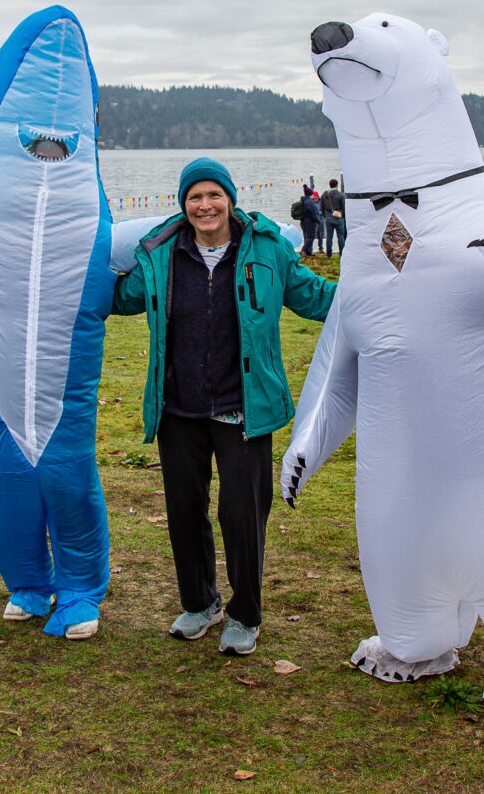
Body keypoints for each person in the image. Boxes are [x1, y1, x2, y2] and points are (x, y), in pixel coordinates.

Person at [113, 158, 336, 656]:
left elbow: (316, 297)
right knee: (185, 512)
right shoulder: (161, 254)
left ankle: (245, 613)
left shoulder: (267, 250)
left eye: (214, 195)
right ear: (183, 204)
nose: (205, 205)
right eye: (195, 197)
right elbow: (115, 297)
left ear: (230, 199)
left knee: (242, 514)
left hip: (245, 409)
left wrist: (377, 304)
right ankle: (200, 603)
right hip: (179, 411)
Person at [320, 178, 346, 257]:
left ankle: (329, 254)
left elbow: (322, 208)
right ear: (337, 185)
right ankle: (342, 253)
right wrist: (343, 217)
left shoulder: (324, 194)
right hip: (339, 218)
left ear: (329, 185)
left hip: (328, 218)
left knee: (329, 237)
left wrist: (326, 216)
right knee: (341, 237)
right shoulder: (341, 195)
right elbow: (343, 207)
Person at [298, 183, 322, 256]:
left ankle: (309, 251)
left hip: (303, 221)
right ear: (310, 194)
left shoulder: (303, 200)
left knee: (307, 236)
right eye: (312, 194)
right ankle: (303, 249)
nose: (313, 195)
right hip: (310, 222)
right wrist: (318, 220)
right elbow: (313, 213)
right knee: (311, 237)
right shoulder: (309, 202)